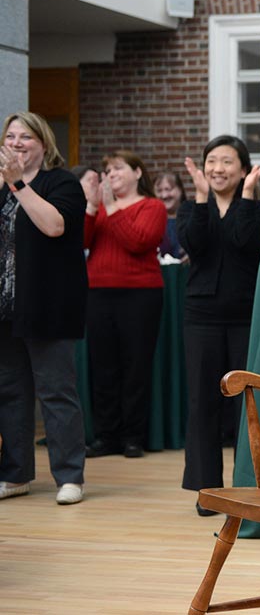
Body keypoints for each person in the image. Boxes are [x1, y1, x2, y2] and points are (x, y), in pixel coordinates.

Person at [177, 134, 260, 513]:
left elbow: (244, 242)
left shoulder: (259, 209)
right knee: (202, 401)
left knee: (244, 403)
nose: (218, 168)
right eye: (212, 160)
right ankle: (207, 490)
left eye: (228, 161)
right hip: (201, 316)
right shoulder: (189, 208)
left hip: (246, 313)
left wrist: (246, 197)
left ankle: (247, 488)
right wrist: (201, 200)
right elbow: (194, 246)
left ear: (244, 169)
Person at [0, 111, 89, 505]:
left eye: (26, 137)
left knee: (55, 393)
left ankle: (69, 476)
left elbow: (53, 226)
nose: (17, 143)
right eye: (11, 136)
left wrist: (18, 183)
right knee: (11, 392)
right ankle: (16, 474)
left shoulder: (62, 183)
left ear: (43, 143)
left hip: (48, 305)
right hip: (7, 306)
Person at [83, 150, 167, 459]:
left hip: (140, 294)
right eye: (108, 170)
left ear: (137, 173)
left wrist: (109, 207)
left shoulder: (152, 206)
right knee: (103, 367)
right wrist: (92, 207)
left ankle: (133, 436)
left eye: (118, 168)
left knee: (135, 367)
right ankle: (107, 436)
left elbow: (139, 241)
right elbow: (81, 241)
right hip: (99, 293)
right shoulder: (100, 208)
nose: (111, 174)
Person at [154, 172, 187, 259]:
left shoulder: (193, 217)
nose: (164, 195)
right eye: (159, 191)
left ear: (180, 190)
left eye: (168, 189)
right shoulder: (150, 222)